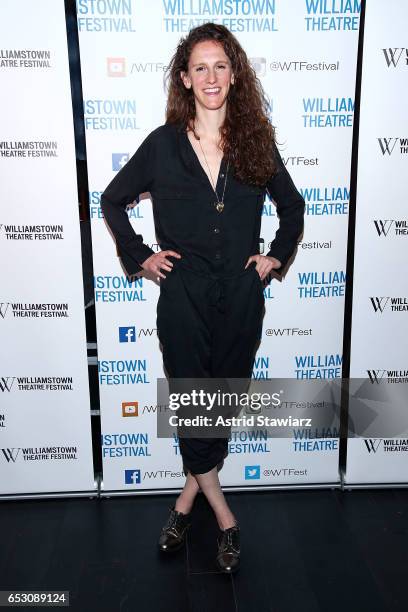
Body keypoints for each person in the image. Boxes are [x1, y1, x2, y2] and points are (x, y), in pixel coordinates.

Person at [100, 23, 305, 573]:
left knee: (219, 405)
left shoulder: (256, 143)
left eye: (220, 66)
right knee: (195, 405)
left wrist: (275, 257)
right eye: (200, 68)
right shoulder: (163, 145)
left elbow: (294, 206)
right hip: (183, 296)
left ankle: (184, 502)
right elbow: (113, 200)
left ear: (233, 75)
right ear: (185, 79)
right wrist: (141, 254)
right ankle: (226, 518)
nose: (210, 77)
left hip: (242, 295)